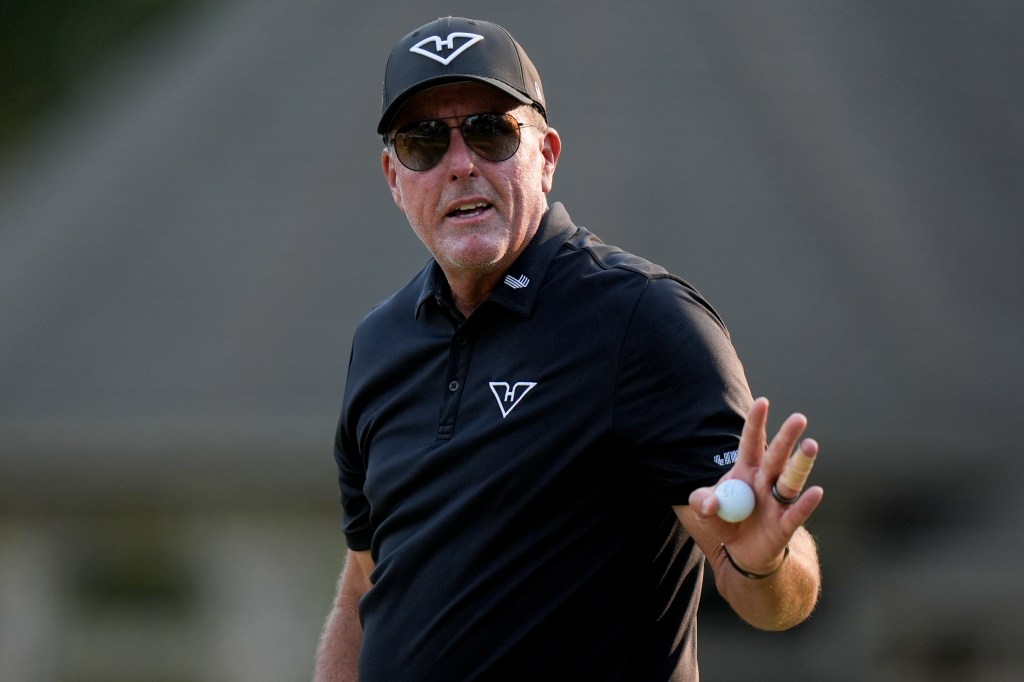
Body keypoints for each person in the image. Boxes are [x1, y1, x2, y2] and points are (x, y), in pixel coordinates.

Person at [315, 16, 823, 682]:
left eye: (492, 131)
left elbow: (762, 588)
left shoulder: (642, 320)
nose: (461, 163)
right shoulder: (381, 341)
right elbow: (368, 585)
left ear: (546, 154)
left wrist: (766, 561)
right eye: (423, 142)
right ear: (393, 175)